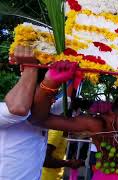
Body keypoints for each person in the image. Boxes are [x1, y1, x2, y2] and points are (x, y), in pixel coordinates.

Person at [0, 46, 79, 180]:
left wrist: (74, 77)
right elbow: (19, 108)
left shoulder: (45, 112)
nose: (53, 99)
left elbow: (68, 100)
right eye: (51, 93)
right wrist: (31, 67)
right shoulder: (4, 111)